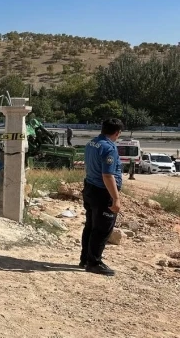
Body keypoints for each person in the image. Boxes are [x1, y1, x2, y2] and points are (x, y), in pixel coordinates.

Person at [80, 118, 124, 276]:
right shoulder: (108, 148)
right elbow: (107, 175)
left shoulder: (92, 143)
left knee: (91, 226)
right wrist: (116, 198)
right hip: (102, 192)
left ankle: (85, 259)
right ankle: (94, 263)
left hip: (90, 188)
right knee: (102, 229)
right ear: (117, 133)